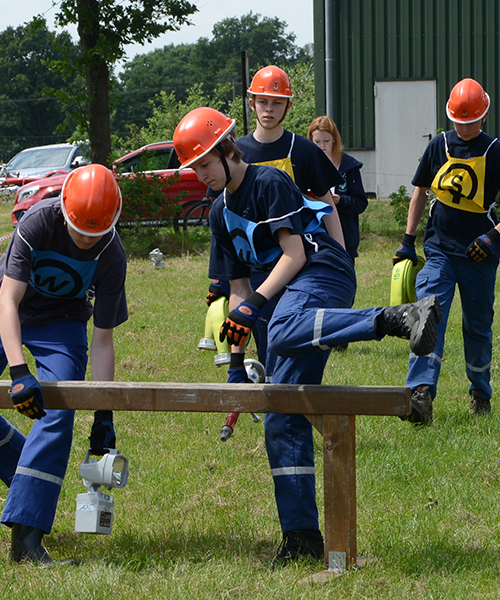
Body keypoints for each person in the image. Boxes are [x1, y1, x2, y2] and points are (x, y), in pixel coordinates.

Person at [173, 106, 441, 568]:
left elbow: (294, 255)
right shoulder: (219, 213)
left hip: (322, 271)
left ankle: (393, 318)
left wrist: (253, 307)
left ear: (226, 150)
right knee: (281, 411)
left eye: (204, 165)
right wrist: (236, 366)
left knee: (279, 330)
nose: (201, 177)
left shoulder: (268, 182)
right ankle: (301, 538)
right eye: (194, 169)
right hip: (282, 299)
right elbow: (239, 291)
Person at [0, 163, 128, 565]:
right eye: (78, 230)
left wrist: (104, 412)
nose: (86, 240)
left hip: (62, 321)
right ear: (64, 211)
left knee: (58, 411)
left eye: (95, 234)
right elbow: (8, 302)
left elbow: (103, 340)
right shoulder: (37, 222)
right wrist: (19, 373)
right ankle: (28, 479)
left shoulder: (112, 254)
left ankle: (26, 542)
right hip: (3, 308)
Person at [392, 78, 500, 424]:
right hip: (439, 249)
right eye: (458, 121)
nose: (464, 128)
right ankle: (420, 394)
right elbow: (420, 192)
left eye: (471, 122)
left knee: (477, 326)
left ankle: (480, 392)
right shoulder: (438, 146)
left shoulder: (495, 151)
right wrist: (407, 241)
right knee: (426, 319)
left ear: (484, 116)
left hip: (479, 256)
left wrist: (492, 237)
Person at [207, 65, 346, 374]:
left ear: (288, 107)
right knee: (267, 342)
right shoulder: (234, 153)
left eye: (277, 102)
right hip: (256, 264)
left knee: (293, 344)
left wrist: (341, 254)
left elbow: (327, 203)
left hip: (300, 259)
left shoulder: (305, 150)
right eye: (263, 101)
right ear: (251, 103)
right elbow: (223, 217)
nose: (269, 109)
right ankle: (273, 389)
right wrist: (220, 282)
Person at [308, 115, 369, 260]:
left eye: (326, 141)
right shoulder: (307, 165)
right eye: (317, 142)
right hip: (315, 238)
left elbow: (360, 203)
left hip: (345, 238)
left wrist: (340, 201)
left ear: (334, 140)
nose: (322, 146)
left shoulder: (349, 167)